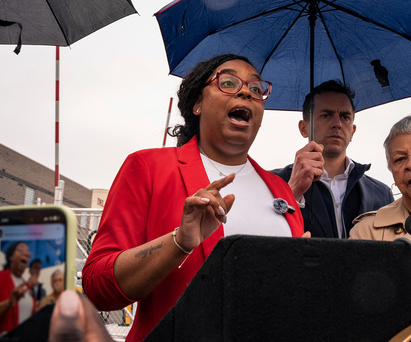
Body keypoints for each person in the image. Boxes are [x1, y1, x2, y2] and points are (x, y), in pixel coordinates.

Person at [82, 54, 306, 342]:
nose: (245, 92)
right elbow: (97, 288)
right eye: (228, 82)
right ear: (197, 104)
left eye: (255, 88)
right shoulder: (147, 168)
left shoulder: (281, 190)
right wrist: (178, 243)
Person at [272, 80, 393, 239]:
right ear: (303, 128)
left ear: (353, 131)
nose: (337, 124)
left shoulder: (381, 194)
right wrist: (292, 192)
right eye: (326, 115)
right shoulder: (272, 183)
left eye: (345, 117)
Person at [0, 241, 36, 340]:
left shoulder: (28, 287)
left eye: (28, 253)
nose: (26, 254)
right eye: (21, 249)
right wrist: (9, 303)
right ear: (11, 256)